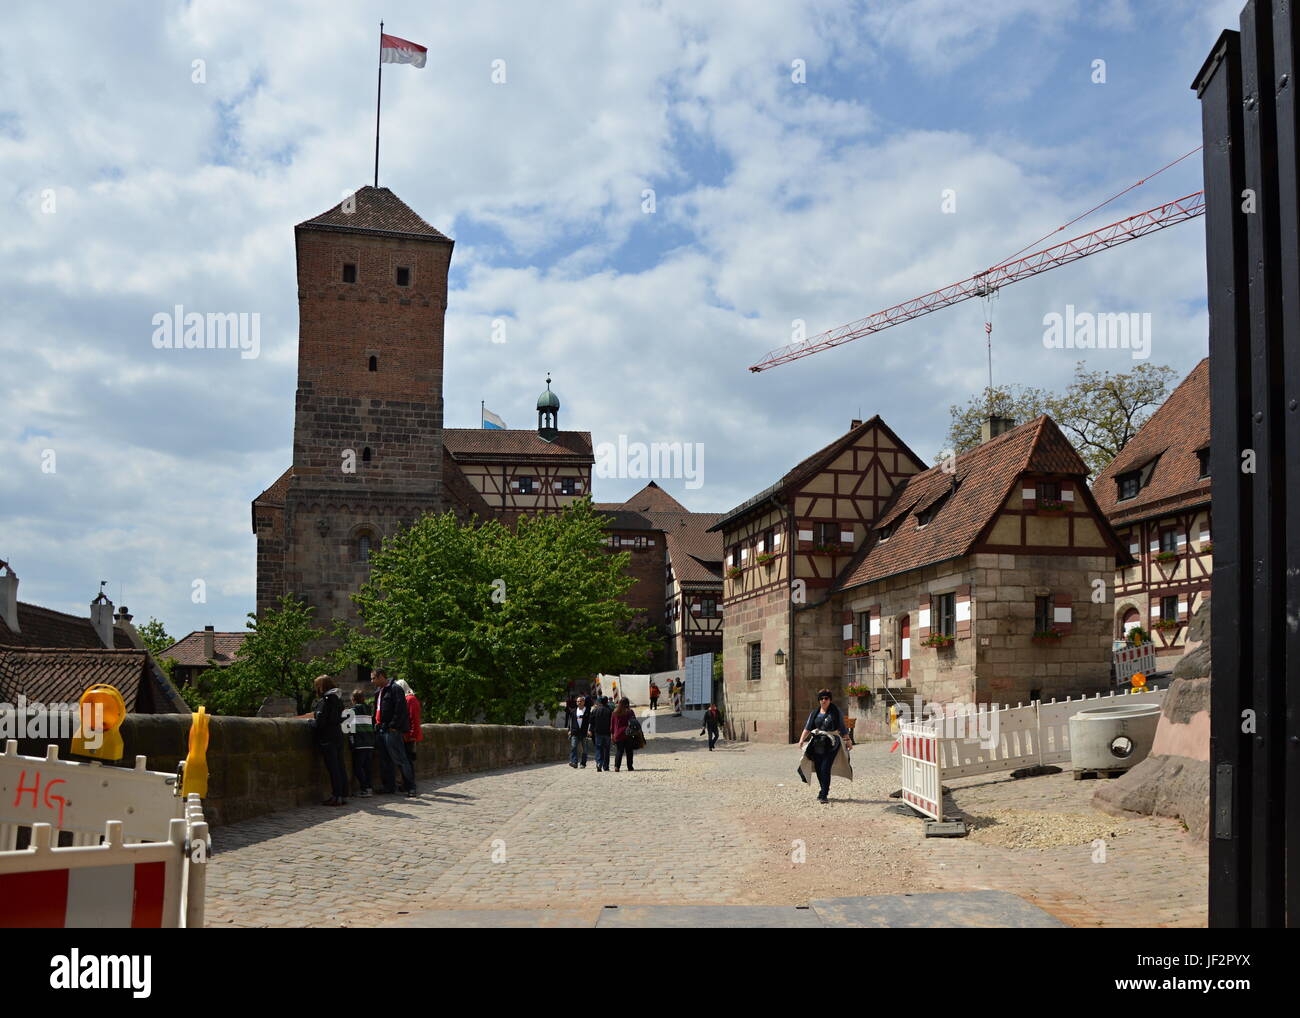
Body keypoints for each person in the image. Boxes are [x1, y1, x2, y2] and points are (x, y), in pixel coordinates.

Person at [797, 689, 853, 804]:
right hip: (817, 742)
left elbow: (842, 727)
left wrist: (847, 740)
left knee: (825, 767)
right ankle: (823, 789)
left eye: (826, 698)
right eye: (821, 698)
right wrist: (802, 740)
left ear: (830, 699)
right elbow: (808, 727)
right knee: (818, 767)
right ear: (819, 700)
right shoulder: (815, 713)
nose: (824, 700)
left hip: (832, 742)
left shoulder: (835, 712)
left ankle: (824, 794)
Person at [371, 668, 417, 797]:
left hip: (391, 730)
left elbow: (400, 710)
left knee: (401, 759)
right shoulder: (378, 691)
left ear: (381, 677)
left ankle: (410, 787)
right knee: (385, 760)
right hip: (380, 728)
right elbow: (377, 710)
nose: (372, 681)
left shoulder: (395, 689)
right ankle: (389, 786)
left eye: (374, 678)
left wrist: (393, 726)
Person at [307, 675, 348, 806]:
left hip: (328, 738)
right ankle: (342, 795)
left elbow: (320, 722)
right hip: (338, 736)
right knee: (340, 766)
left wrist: (311, 723)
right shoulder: (338, 700)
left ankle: (336, 796)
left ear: (321, 687)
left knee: (333, 768)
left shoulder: (325, 701)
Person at [344, 688, 375, 797]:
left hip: (359, 743)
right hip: (370, 742)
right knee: (367, 767)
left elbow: (345, 728)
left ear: (353, 699)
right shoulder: (369, 709)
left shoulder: (351, 711)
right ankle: (369, 787)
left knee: (358, 767)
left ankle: (365, 788)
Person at [397, 678, 423, 774]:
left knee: (408, 760)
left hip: (409, 735)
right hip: (406, 734)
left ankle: (409, 783)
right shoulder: (407, 699)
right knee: (406, 759)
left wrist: (412, 735)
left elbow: (414, 718)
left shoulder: (410, 699)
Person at [611, 697, 637, 772]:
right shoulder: (630, 712)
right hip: (627, 734)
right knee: (629, 751)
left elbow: (612, 725)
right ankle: (630, 767)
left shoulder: (614, 712)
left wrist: (612, 735)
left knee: (619, 751)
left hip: (618, 734)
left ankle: (617, 766)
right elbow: (634, 722)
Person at [589, 695, 613, 772]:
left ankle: (599, 763)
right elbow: (612, 723)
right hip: (607, 733)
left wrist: (590, 730)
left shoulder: (595, 710)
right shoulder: (610, 711)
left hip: (598, 733)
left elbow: (591, 722)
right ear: (607, 701)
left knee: (598, 748)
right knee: (606, 749)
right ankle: (606, 766)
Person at [567, 695, 591, 768]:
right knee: (573, 747)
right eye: (577, 701)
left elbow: (590, 722)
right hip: (575, 732)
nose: (579, 702)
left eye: (580, 701)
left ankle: (583, 763)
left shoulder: (587, 711)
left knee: (585, 749)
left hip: (584, 732)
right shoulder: (573, 711)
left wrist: (589, 730)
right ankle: (574, 762)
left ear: (583, 702)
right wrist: (569, 730)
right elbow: (570, 722)